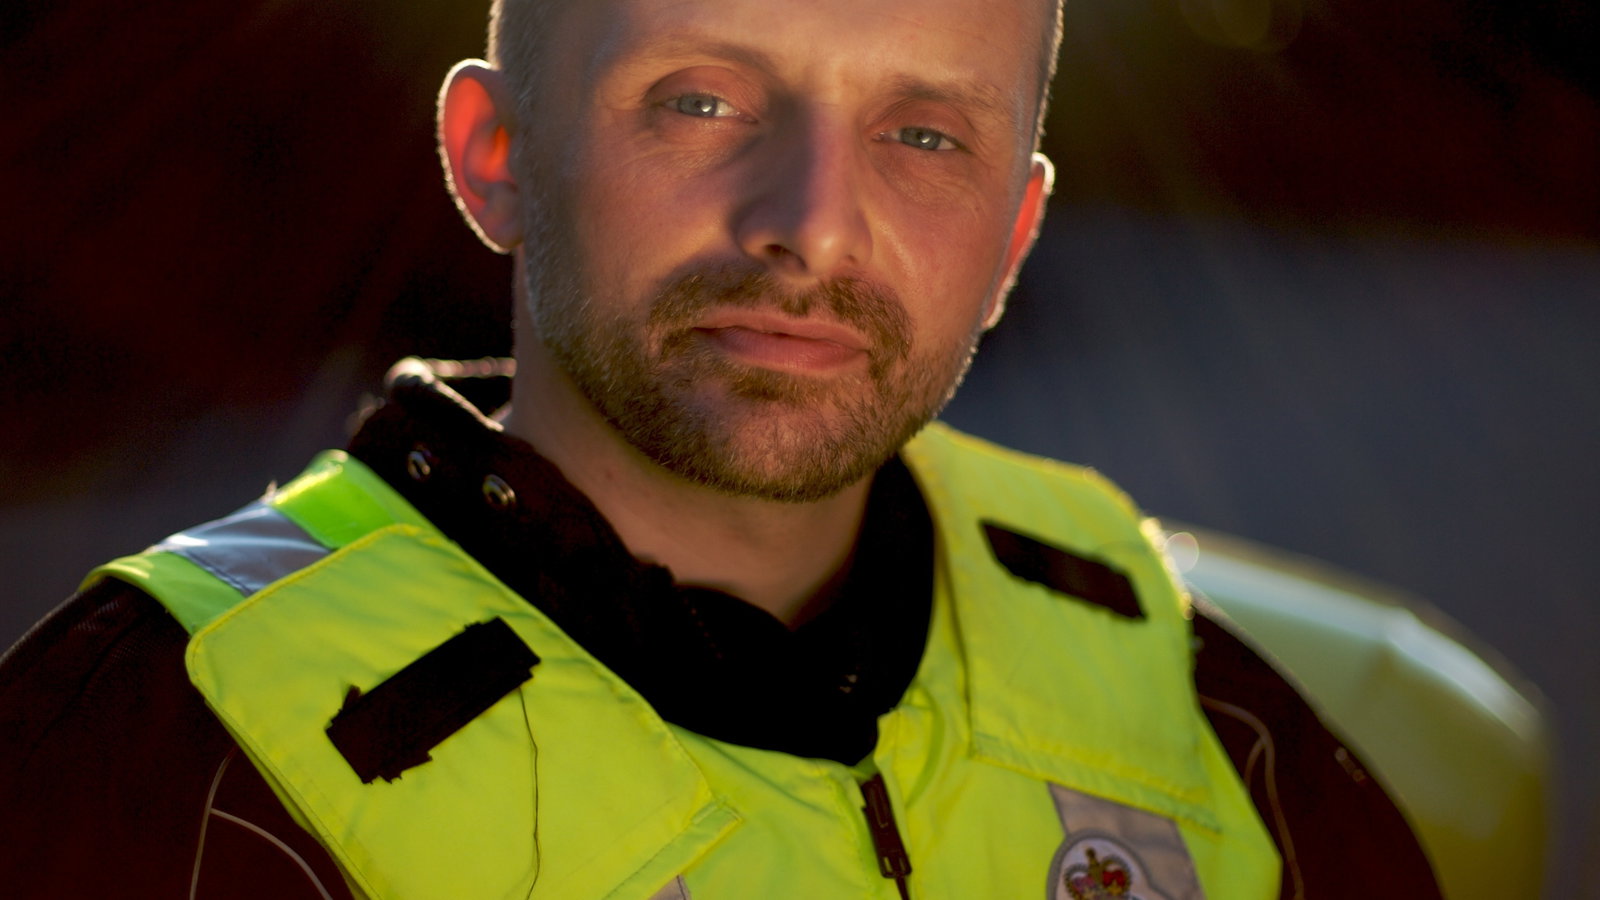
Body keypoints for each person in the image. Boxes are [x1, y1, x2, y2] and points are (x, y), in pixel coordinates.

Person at [0, 0, 1443, 897]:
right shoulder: (171, 749)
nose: (811, 226)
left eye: (925, 135)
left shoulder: (1191, 699)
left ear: (1013, 235)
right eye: (700, 101)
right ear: (497, 156)